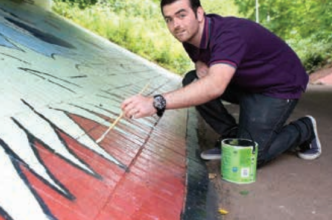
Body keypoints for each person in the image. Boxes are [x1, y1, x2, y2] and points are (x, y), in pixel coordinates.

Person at [121, 0, 322, 167]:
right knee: (192, 79)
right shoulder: (188, 37)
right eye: (169, 19)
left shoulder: (230, 34)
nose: (176, 25)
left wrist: (156, 103)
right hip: (245, 82)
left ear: (199, 13)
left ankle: (304, 129)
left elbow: (215, 86)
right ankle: (232, 136)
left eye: (182, 15)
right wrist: (200, 64)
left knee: (249, 159)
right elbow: (203, 67)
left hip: (277, 87)